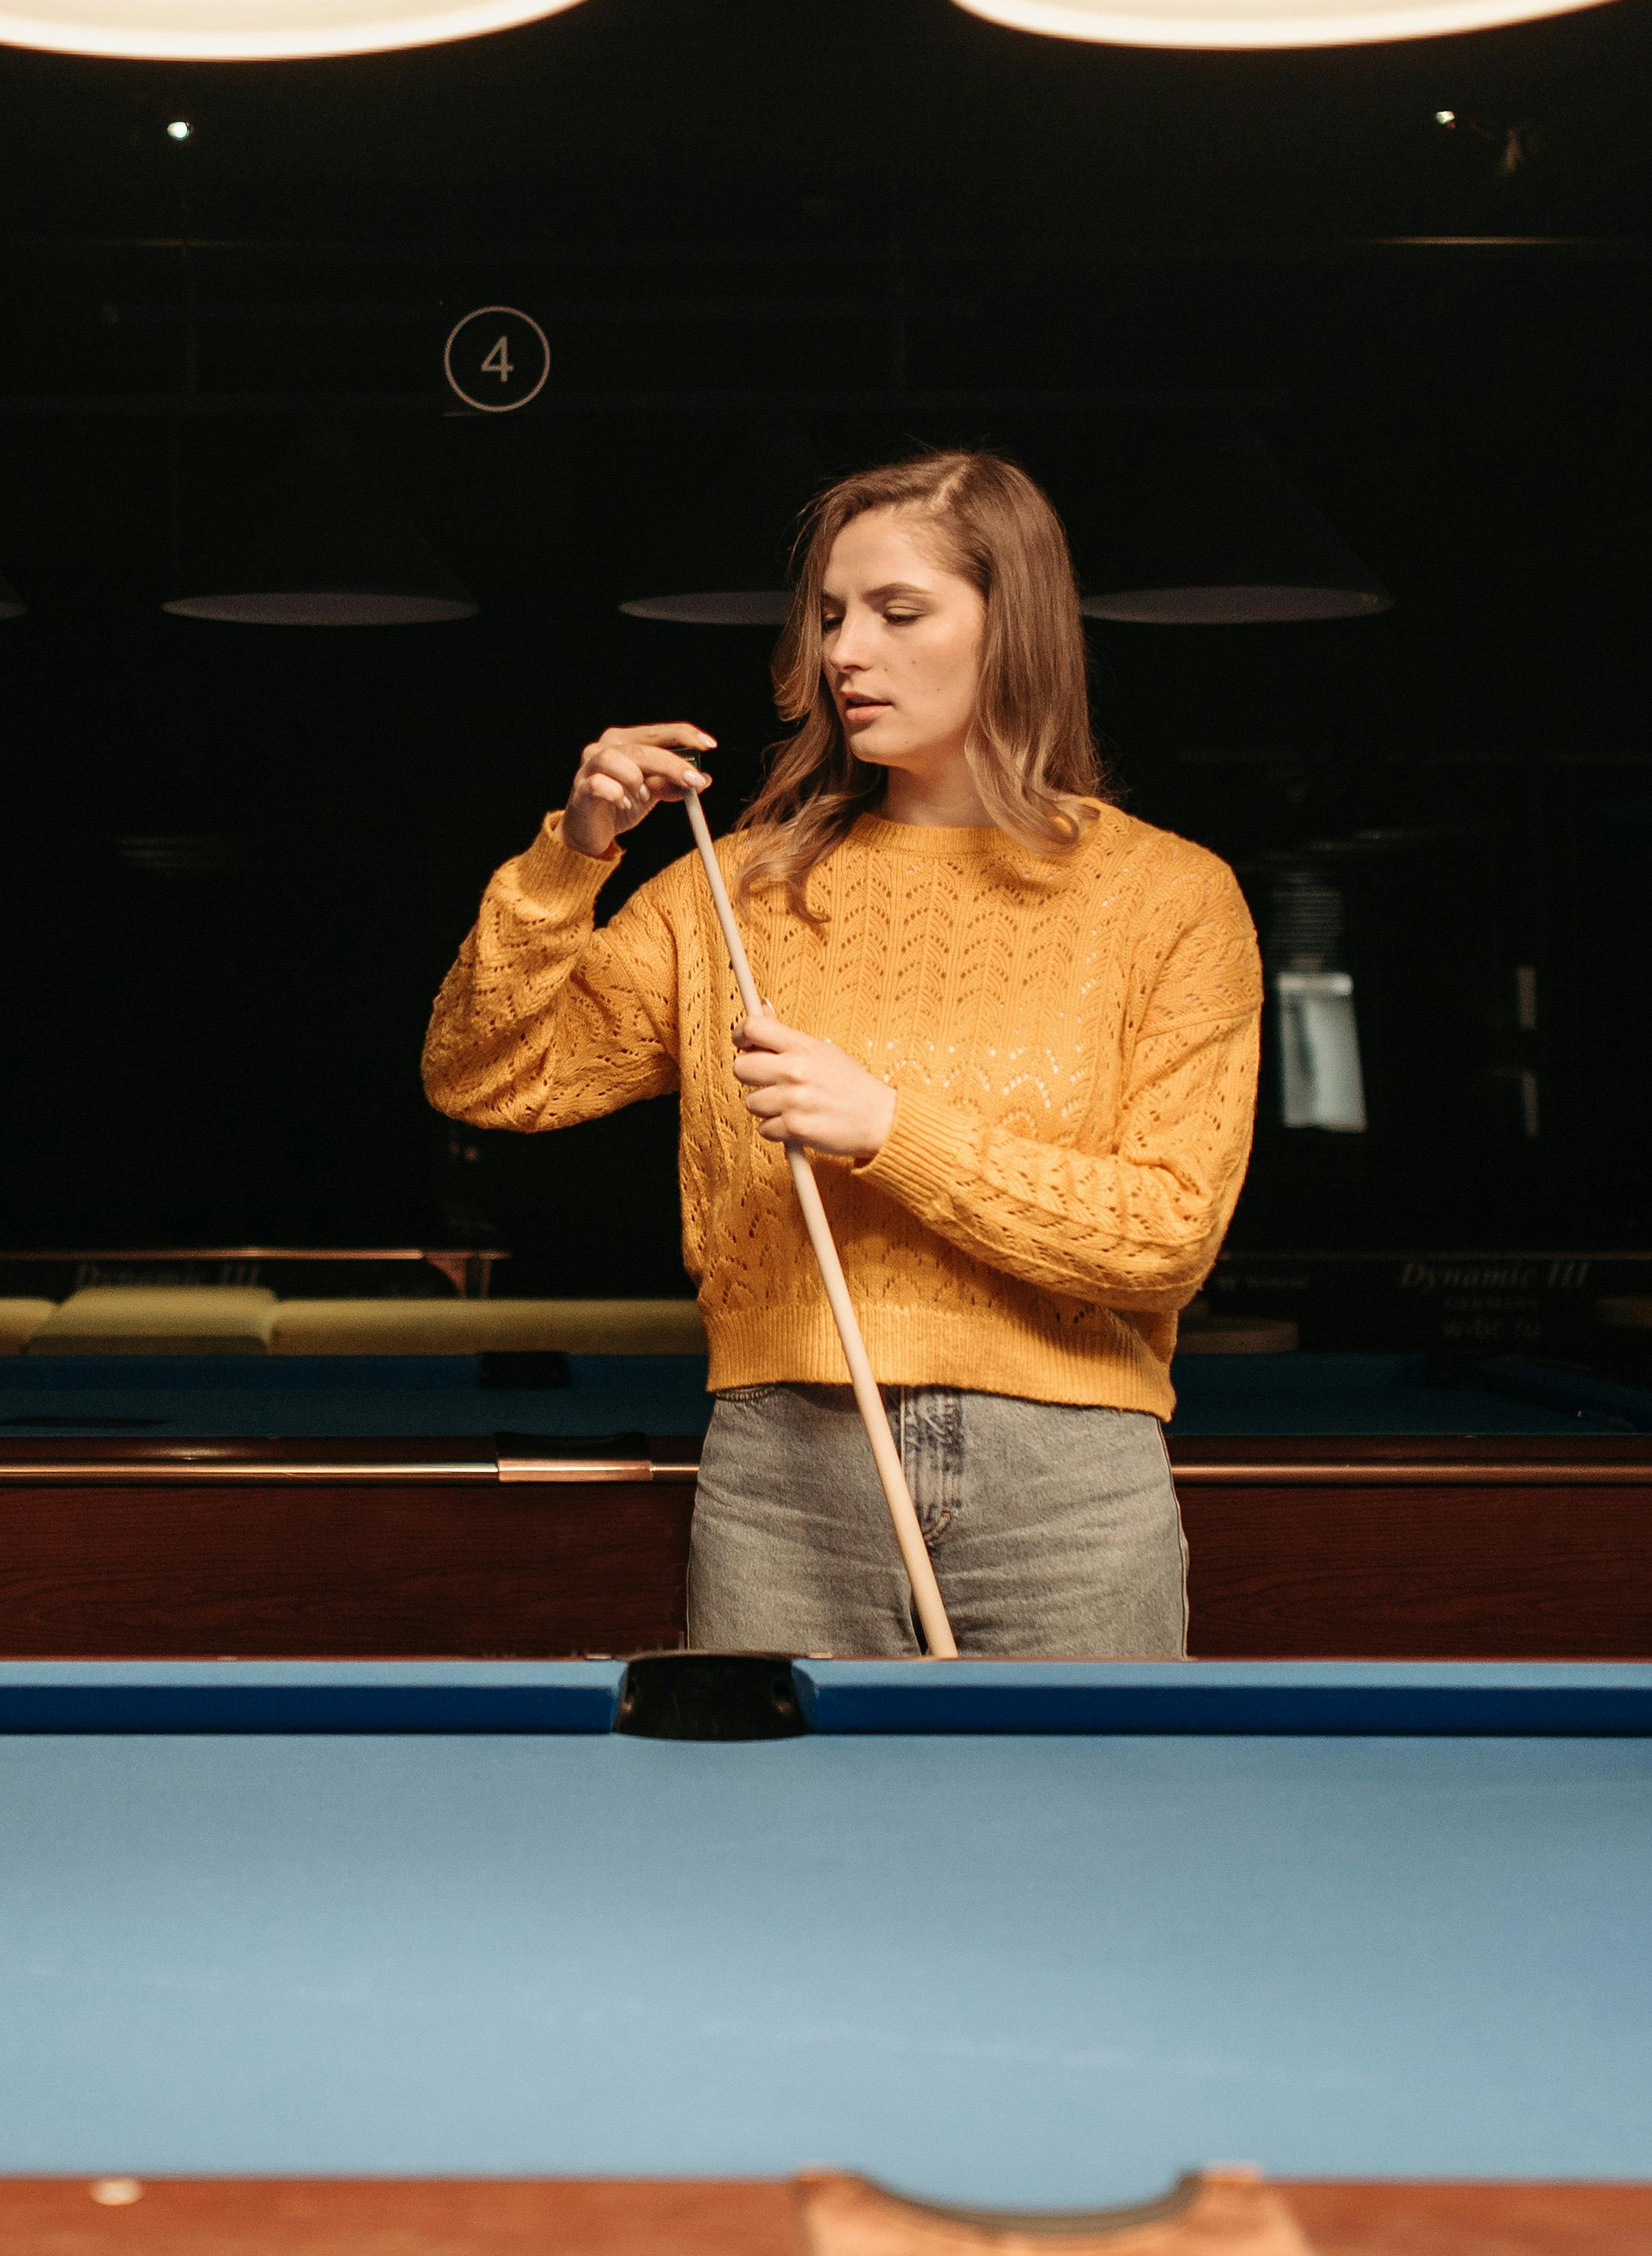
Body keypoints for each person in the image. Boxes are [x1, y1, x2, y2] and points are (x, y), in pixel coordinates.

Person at [422, 450, 1261, 1658]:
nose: (842, 653)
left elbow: (1166, 1240)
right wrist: (576, 853)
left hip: (1069, 1491)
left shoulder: (1170, 898)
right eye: (828, 617)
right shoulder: (740, 884)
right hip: (783, 1476)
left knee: (1079, 1842)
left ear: (1009, 627)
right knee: (778, 1846)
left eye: (895, 612)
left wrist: (888, 1129)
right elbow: (487, 1077)